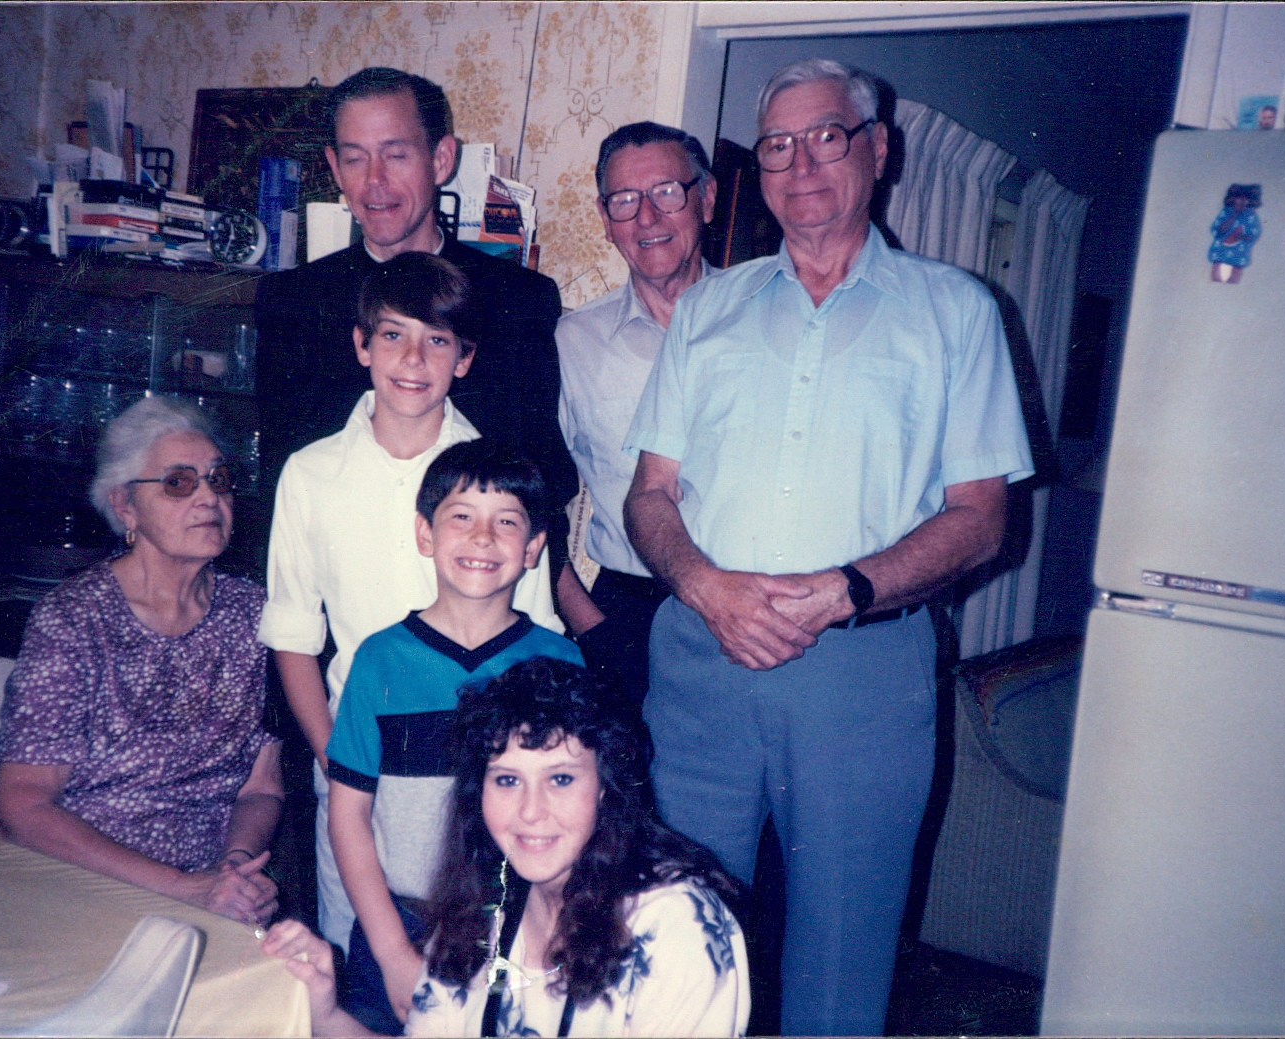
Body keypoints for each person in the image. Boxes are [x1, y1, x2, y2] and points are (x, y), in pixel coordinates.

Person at [622, 59, 1034, 1036]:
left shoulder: (957, 311)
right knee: (677, 941)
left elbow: (983, 515)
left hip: (864, 672)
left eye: (826, 137)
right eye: (777, 145)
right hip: (702, 663)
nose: (801, 164)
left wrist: (849, 588)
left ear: (877, 150)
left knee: (843, 958)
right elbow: (649, 495)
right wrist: (705, 586)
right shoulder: (708, 310)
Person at [257, 251, 564, 964]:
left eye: (437, 340)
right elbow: (294, 633)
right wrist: (337, 759)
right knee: (366, 956)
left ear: (465, 358)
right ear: (361, 345)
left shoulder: (496, 477)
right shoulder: (311, 474)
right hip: (358, 763)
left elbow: (539, 633)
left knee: (489, 960)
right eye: (393, 335)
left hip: (489, 771)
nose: (414, 359)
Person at [263, 656, 750, 1038]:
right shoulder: (483, 903)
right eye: (507, 780)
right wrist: (325, 1016)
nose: (531, 811)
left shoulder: (677, 927)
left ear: (606, 788)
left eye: (561, 779)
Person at [0, 397, 282, 926]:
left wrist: (235, 870)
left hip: (207, 884)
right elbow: (21, 807)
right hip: (64, 879)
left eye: (218, 480)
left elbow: (261, 786)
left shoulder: (256, 614)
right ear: (126, 506)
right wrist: (182, 889)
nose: (209, 497)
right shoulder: (74, 617)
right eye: (179, 482)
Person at [252, 66, 575, 577]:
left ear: (441, 159)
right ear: (334, 167)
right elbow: (279, 478)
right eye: (355, 158)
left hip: (475, 584)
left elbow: (542, 478)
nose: (374, 181)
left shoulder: (517, 301)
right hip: (338, 583)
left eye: (396, 154)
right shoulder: (294, 302)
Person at [322, 440, 584, 1034]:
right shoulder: (379, 661)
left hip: (522, 926)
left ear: (534, 548)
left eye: (507, 522)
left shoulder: (560, 662)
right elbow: (348, 817)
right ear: (425, 534)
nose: (483, 537)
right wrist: (393, 954)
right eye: (461, 516)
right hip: (400, 925)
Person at [554, 122, 716, 718]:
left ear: (707, 198)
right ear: (604, 218)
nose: (647, 217)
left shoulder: (767, 321)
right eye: (625, 200)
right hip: (628, 614)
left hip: (755, 606)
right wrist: (591, 627)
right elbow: (530, 497)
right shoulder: (572, 343)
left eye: (667, 192)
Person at [1208, 183, 1262, 284]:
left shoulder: (1251, 216)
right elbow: (1216, 228)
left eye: (1245, 202)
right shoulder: (1226, 212)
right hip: (1222, 244)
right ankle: (1215, 278)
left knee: (1238, 263)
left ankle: (1233, 280)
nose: (1241, 204)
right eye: (1238, 201)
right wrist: (1234, 215)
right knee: (1217, 260)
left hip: (1239, 248)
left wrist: (1243, 236)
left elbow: (1254, 233)